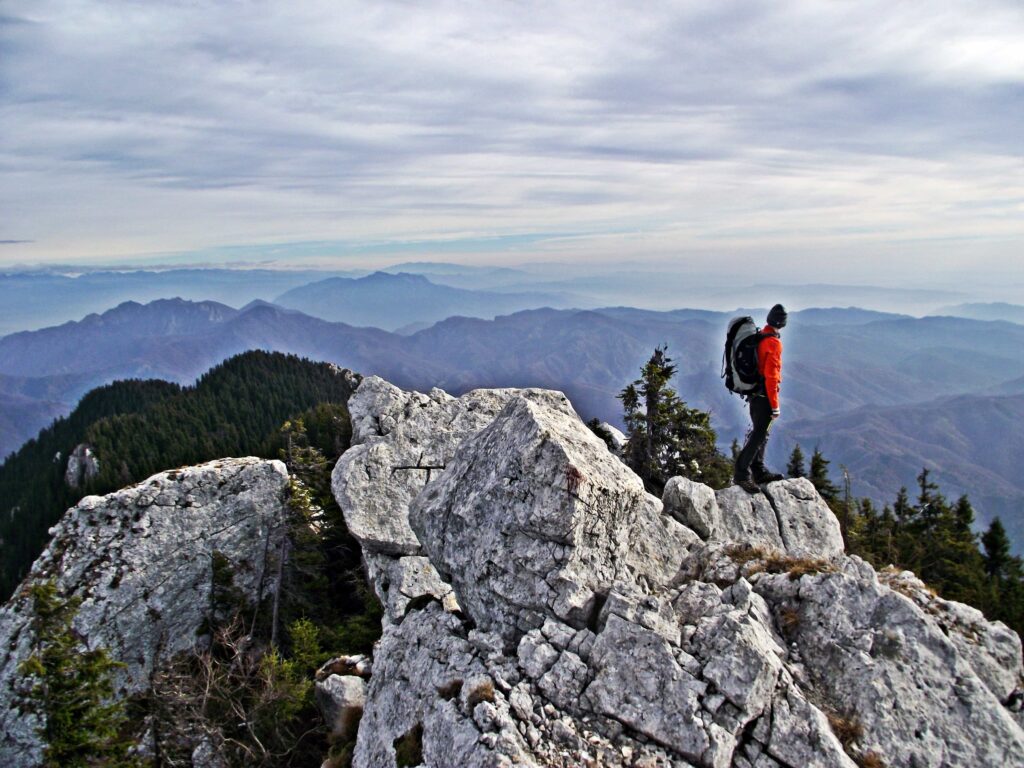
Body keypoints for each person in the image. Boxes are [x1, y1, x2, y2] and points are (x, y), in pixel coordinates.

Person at [734, 304, 787, 493]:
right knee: (758, 435)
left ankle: (759, 470)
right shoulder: (773, 343)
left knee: (761, 433)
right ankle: (741, 474)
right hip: (765, 396)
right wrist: (775, 406)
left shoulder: (760, 335)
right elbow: (772, 376)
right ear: (782, 323)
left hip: (754, 393)